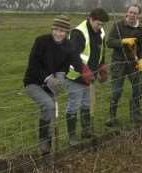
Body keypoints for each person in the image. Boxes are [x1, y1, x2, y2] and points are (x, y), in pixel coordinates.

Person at [23, 15, 93, 165]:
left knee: (50, 112)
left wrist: (85, 71)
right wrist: (48, 79)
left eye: (62, 31)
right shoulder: (41, 41)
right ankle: (43, 141)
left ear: (66, 32)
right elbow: (33, 65)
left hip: (54, 83)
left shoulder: (68, 46)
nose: (58, 33)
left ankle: (48, 148)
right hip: (34, 82)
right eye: (56, 29)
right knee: (48, 106)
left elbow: (74, 61)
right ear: (52, 28)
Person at [65, 8, 109, 145]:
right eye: (98, 24)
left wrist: (102, 67)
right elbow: (72, 55)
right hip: (76, 76)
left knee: (86, 104)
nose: (100, 27)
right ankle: (72, 136)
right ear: (90, 18)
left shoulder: (101, 32)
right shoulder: (78, 33)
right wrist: (84, 70)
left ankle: (86, 130)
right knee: (74, 104)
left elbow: (101, 51)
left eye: (102, 24)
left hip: (90, 76)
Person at [106, 4, 142, 127]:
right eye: (130, 12)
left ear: (138, 15)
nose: (132, 15)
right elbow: (109, 42)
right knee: (117, 91)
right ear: (127, 13)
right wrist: (123, 42)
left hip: (134, 63)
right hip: (118, 63)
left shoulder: (140, 29)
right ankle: (111, 116)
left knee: (138, 89)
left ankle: (135, 115)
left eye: (135, 13)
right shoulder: (118, 26)